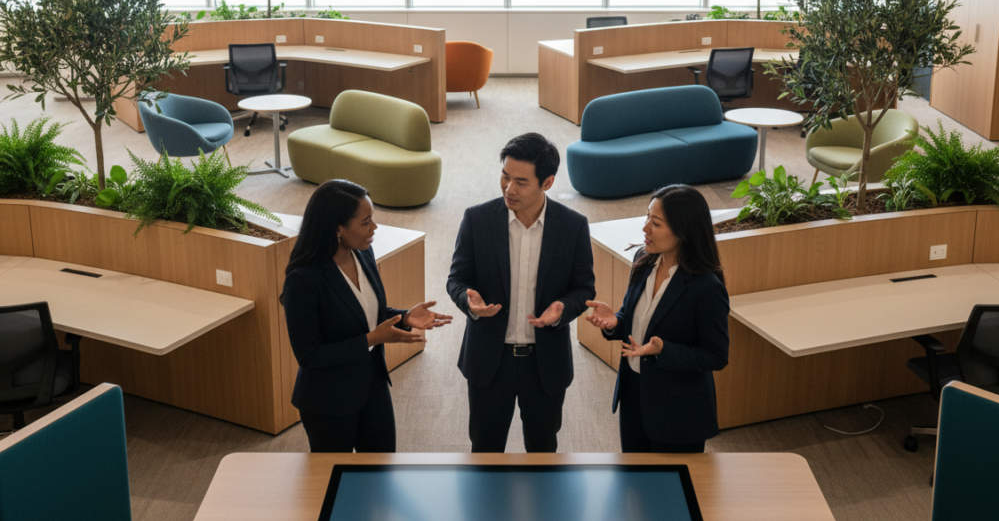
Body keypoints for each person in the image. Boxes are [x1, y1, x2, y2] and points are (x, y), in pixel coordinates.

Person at [446, 132, 595, 453]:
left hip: (545, 365)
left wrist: (563, 307)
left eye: (521, 182)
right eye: (504, 176)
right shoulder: (477, 219)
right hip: (489, 361)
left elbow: (584, 287)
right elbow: (456, 278)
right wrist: (467, 300)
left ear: (548, 182)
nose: (509, 189)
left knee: (543, 448)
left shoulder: (573, 226)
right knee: (485, 448)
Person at [280, 179, 452, 453]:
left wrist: (405, 317)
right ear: (337, 228)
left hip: (373, 385)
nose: (374, 228)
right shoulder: (303, 281)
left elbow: (364, 313)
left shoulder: (363, 253)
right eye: (366, 222)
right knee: (337, 480)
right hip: (328, 401)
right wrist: (372, 339)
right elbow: (309, 355)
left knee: (382, 471)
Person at [584, 184, 729, 453]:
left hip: (678, 412)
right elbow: (633, 319)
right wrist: (615, 322)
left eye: (656, 223)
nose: (645, 228)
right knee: (635, 484)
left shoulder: (706, 287)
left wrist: (665, 350)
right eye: (647, 217)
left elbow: (716, 356)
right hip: (635, 395)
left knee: (671, 490)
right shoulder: (643, 260)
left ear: (684, 230)